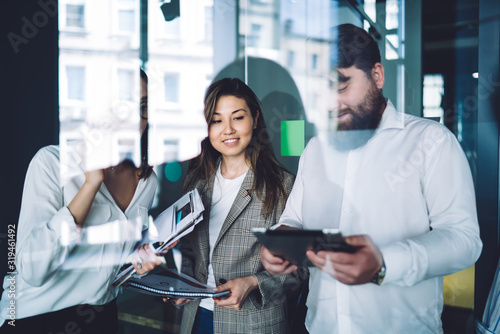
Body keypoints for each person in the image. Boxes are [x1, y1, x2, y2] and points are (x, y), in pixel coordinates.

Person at [259, 23, 482, 333]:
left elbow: (464, 240)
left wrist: (385, 263)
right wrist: (277, 246)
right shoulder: (315, 149)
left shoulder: (432, 142)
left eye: (340, 85)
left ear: (377, 75)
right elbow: (293, 221)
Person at [0, 69, 173, 333]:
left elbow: (114, 258)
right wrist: (91, 184)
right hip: (34, 317)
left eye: (144, 107)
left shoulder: (146, 180)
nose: (135, 119)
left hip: (102, 316)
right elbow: (32, 271)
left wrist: (141, 257)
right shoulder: (51, 163)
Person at [169, 78, 303, 334]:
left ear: (255, 119)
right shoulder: (195, 181)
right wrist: (179, 284)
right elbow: (188, 250)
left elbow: (298, 270)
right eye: (217, 120)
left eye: (237, 118)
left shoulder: (282, 185)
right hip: (195, 318)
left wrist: (253, 282)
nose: (227, 129)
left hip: (254, 324)